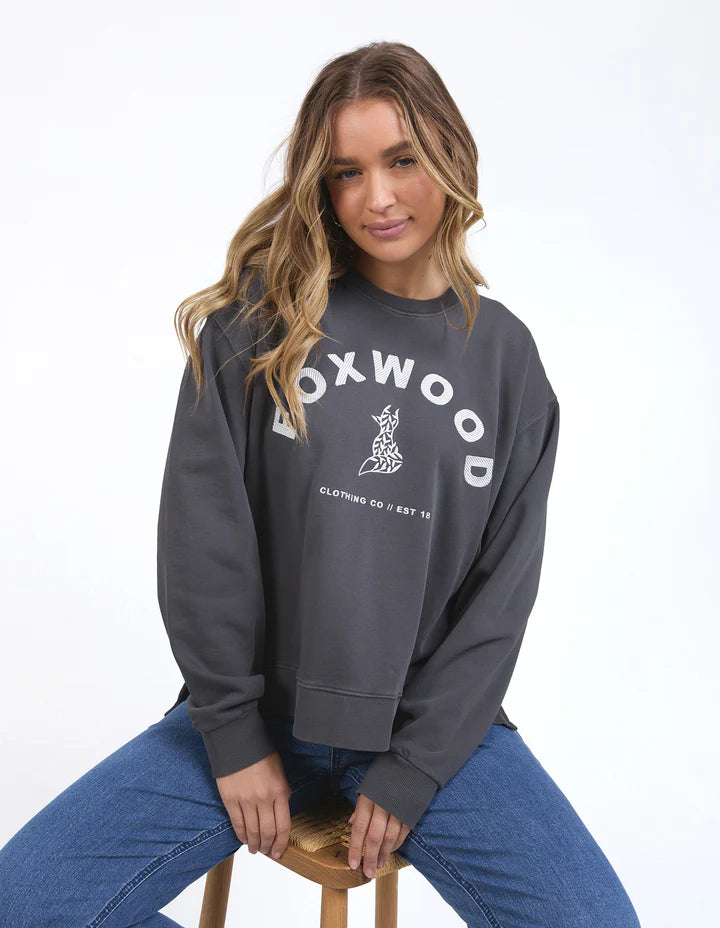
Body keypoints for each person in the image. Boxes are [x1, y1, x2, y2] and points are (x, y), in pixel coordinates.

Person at [0, 41, 642, 928]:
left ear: (450, 153)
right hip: (260, 718)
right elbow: (203, 540)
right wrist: (233, 734)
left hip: (433, 736)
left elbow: (501, 598)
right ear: (321, 185)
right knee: (23, 901)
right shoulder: (259, 320)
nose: (377, 197)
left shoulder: (507, 360)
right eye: (347, 172)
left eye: (402, 160)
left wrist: (415, 768)